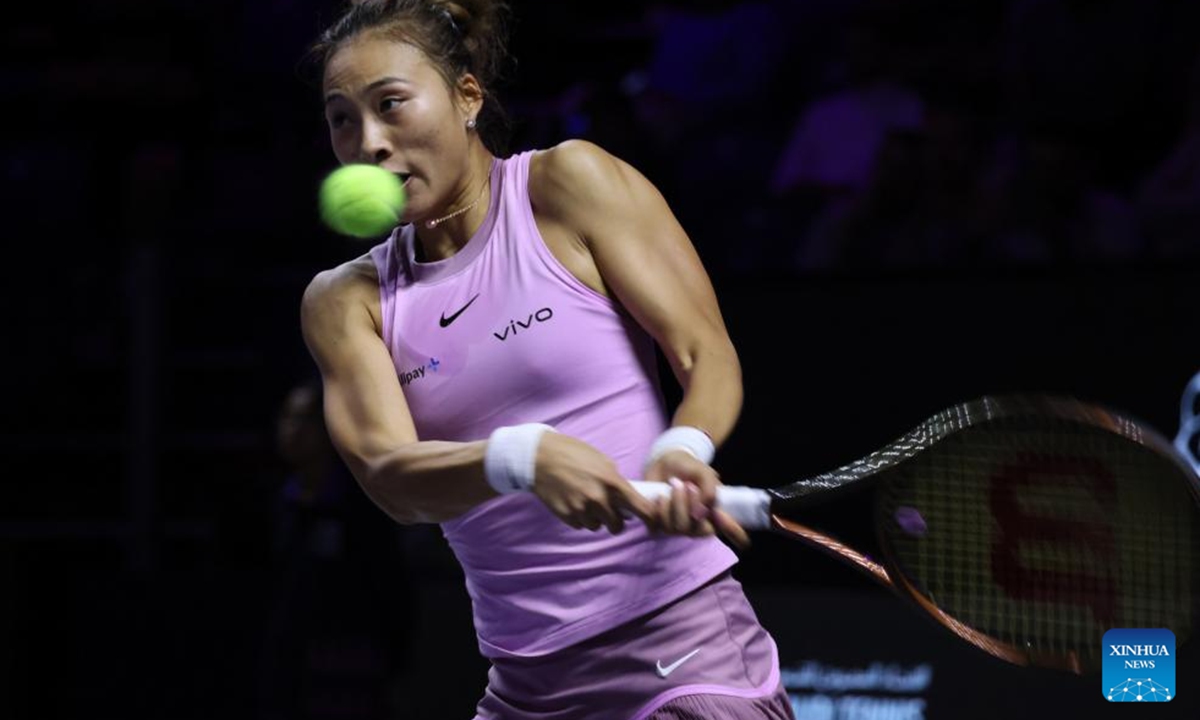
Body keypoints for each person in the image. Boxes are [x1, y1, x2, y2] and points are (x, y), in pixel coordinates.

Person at [299, 1, 793, 718]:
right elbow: (391, 479)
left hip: (683, 650)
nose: (368, 140)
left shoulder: (566, 187)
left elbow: (703, 350)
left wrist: (686, 444)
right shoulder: (348, 302)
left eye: (391, 104)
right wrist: (522, 458)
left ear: (467, 96)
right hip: (526, 687)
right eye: (343, 117)